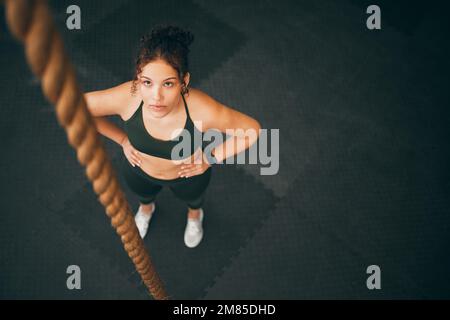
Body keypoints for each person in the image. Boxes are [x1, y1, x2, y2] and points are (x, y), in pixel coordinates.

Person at [84, 25, 261, 248]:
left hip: (188, 177)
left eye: (168, 83)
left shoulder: (201, 109)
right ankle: (147, 210)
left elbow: (251, 130)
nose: (156, 96)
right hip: (140, 171)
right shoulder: (128, 97)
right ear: (138, 79)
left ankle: (195, 217)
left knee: (194, 203)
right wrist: (121, 139)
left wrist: (209, 157)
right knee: (144, 197)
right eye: (147, 82)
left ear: (183, 81)